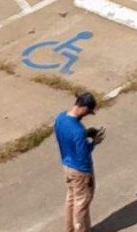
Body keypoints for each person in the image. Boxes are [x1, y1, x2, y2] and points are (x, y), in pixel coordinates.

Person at [54, 91, 100, 232]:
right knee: (82, 203)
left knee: (71, 200)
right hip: (81, 171)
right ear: (84, 108)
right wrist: (93, 142)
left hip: (67, 165)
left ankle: (70, 229)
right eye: (88, 112)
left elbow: (66, 137)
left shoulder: (60, 118)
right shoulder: (78, 130)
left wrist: (85, 135)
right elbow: (83, 154)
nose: (86, 115)